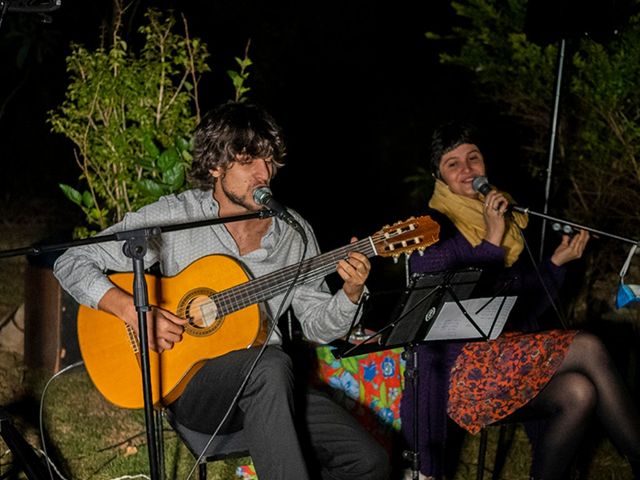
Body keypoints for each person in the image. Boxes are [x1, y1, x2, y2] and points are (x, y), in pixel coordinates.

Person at [54, 101, 390, 480]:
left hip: (271, 387)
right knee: (272, 365)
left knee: (369, 462)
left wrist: (349, 292)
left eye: (270, 161)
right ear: (215, 166)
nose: (263, 174)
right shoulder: (177, 216)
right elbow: (71, 261)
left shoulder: (295, 233)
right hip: (194, 386)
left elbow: (316, 326)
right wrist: (133, 310)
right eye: (249, 162)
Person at [399, 121, 640, 479]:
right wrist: (490, 240)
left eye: (474, 158)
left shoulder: (505, 222)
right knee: (587, 346)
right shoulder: (430, 225)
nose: (467, 169)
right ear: (439, 175)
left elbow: (521, 310)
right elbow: (431, 273)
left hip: (505, 360)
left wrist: (556, 264)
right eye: (454, 163)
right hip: (459, 375)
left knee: (579, 391)